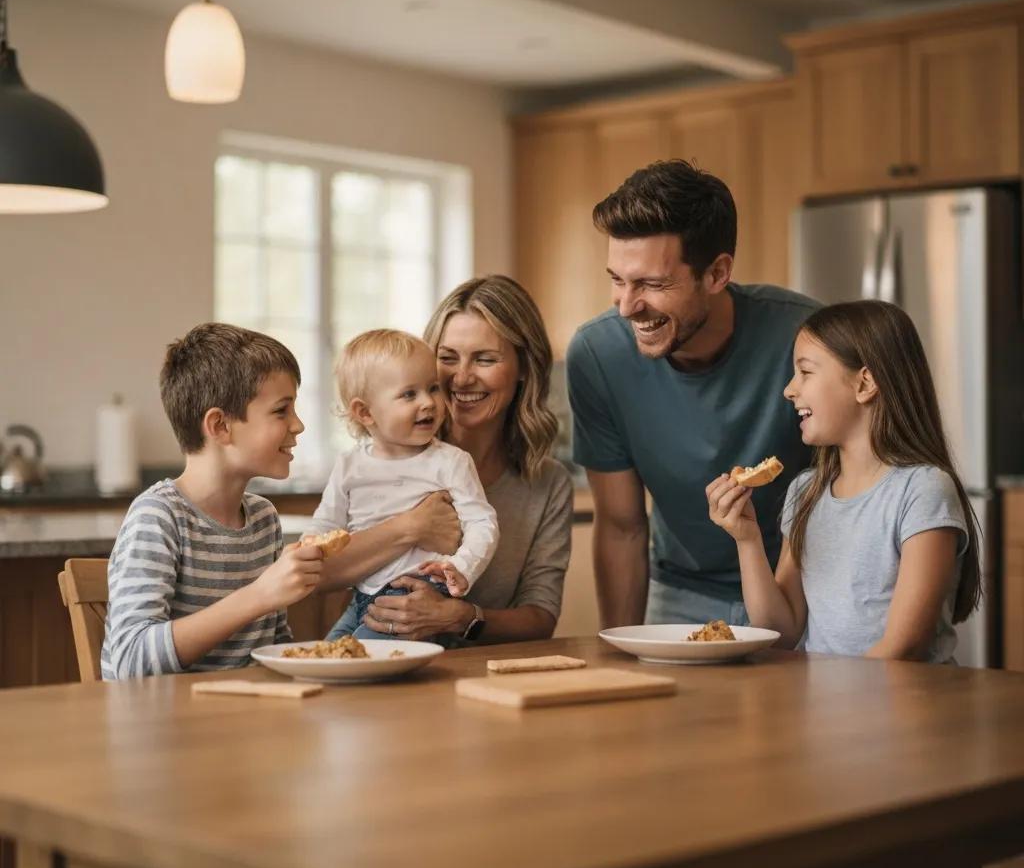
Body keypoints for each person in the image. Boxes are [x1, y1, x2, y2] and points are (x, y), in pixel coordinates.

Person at [566, 158, 818, 631]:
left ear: (718, 273)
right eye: (618, 280)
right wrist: (622, 651)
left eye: (653, 284)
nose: (626, 307)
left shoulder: (806, 337)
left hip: (805, 590)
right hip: (680, 595)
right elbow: (621, 526)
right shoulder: (597, 355)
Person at [707, 300, 980, 662]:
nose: (789, 390)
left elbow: (904, 646)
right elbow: (781, 632)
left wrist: (835, 704)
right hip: (830, 705)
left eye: (805, 372)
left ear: (864, 383)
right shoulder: (806, 491)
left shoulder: (922, 490)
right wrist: (747, 540)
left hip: (905, 709)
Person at [317, 276, 573, 645]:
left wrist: (462, 617)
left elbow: (540, 617)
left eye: (485, 359)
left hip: (478, 669)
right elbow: (320, 572)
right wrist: (412, 527)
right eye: (447, 358)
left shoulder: (548, 483)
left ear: (523, 368)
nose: (462, 378)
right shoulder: (389, 457)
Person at [102, 323, 323, 679]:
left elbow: (272, 646)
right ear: (220, 426)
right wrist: (259, 595)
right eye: (282, 410)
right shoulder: (158, 517)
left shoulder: (263, 519)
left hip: (245, 719)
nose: (298, 425)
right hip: (167, 727)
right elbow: (130, 661)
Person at [307, 329, 498, 641]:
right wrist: (309, 544)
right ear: (365, 412)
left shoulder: (451, 461)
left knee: (359, 665)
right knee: (326, 660)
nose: (429, 403)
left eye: (433, 388)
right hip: (361, 598)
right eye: (409, 394)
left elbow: (482, 522)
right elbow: (328, 522)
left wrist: (462, 567)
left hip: (418, 594)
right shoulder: (349, 465)